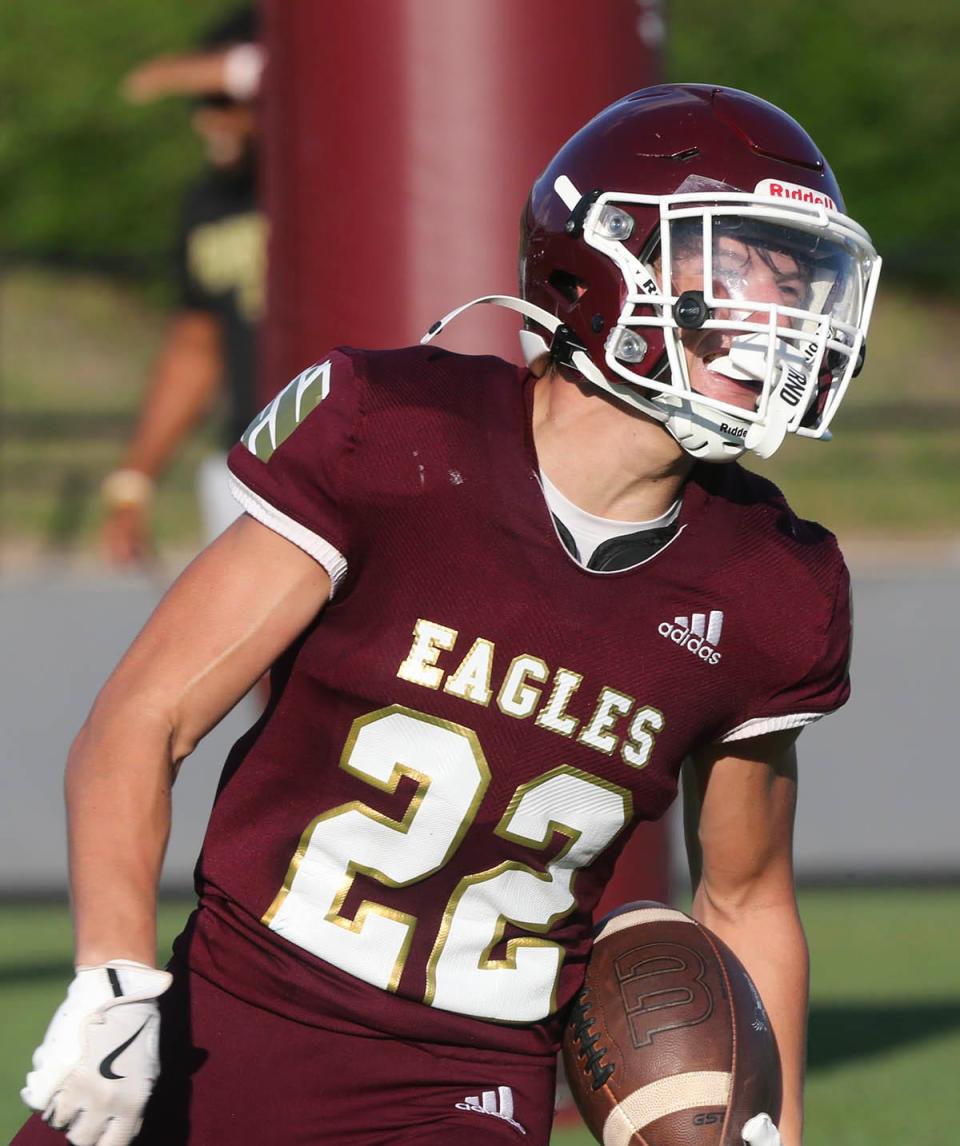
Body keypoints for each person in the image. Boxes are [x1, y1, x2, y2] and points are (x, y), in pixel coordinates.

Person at [16, 84, 880, 1146]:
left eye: (802, 281)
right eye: (746, 267)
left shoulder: (769, 587)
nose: (783, 317)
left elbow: (746, 901)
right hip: (226, 1018)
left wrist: (774, 1131)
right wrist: (114, 980)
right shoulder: (399, 444)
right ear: (606, 261)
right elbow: (142, 721)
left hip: (459, 1086)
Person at [101, 9, 266, 565]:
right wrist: (134, 479)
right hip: (244, 462)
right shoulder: (210, 203)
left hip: (346, 458)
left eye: (222, 100)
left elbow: (309, 79)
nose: (207, 121)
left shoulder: (338, 172)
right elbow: (196, 349)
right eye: (200, 106)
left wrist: (195, 72)